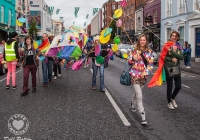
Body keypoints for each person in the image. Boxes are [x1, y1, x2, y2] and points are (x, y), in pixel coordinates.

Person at [128, 34, 154, 125]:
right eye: (141, 40)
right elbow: (129, 61)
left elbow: (151, 65)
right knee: (139, 95)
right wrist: (133, 58)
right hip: (134, 75)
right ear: (139, 41)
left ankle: (132, 103)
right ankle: (143, 115)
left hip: (143, 77)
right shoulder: (134, 50)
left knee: (137, 93)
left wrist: (146, 72)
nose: (142, 41)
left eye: (144, 40)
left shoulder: (149, 52)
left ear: (146, 41)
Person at [164, 31, 183, 110]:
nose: (174, 37)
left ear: (178, 38)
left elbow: (181, 57)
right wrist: (171, 59)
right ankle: (169, 102)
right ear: (170, 36)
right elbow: (164, 57)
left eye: (176, 36)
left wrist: (172, 52)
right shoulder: (166, 45)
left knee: (178, 86)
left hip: (177, 67)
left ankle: (172, 97)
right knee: (170, 86)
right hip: (169, 67)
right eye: (173, 36)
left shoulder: (179, 47)